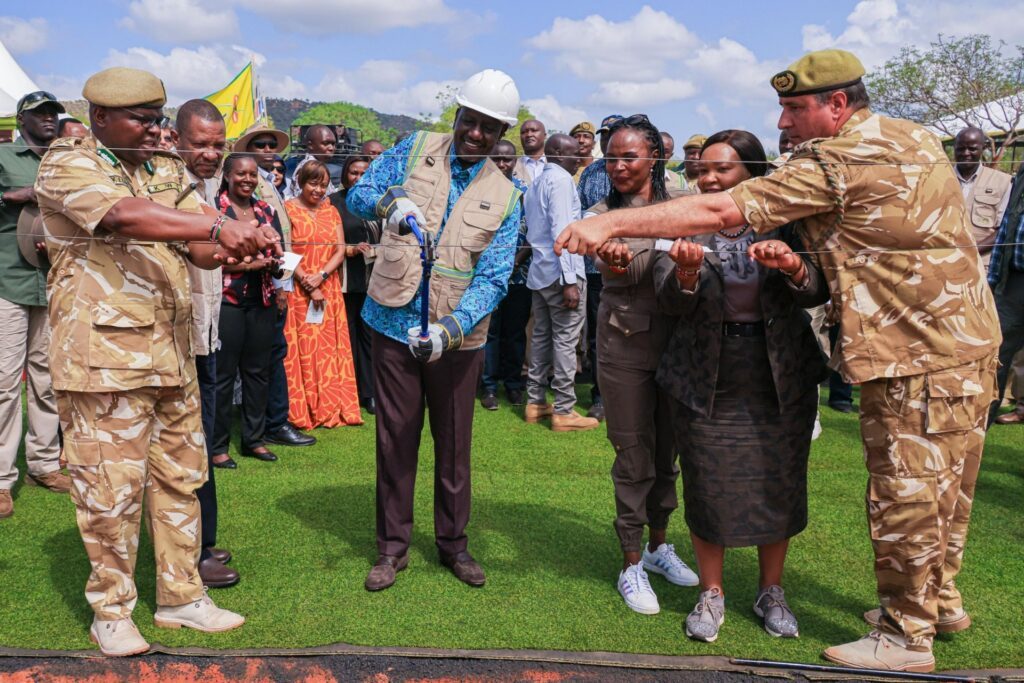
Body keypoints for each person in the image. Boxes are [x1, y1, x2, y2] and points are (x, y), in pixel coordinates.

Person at [556, 49, 1000, 674]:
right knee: (949, 485)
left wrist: (610, 226)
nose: (783, 123)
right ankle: (939, 602)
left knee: (907, 493)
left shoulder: (841, 156)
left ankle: (905, 635)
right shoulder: (914, 136)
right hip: (966, 341)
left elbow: (723, 211)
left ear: (837, 105)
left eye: (794, 109)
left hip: (914, 353)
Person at [35, 66, 271, 656]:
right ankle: (111, 612)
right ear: (99, 117)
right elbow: (122, 216)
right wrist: (218, 224)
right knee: (109, 491)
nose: (153, 130)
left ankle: (181, 596)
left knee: (179, 480)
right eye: (140, 119)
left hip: (171, 353)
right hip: (103, 362)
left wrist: (240, 245)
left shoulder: (163, 168)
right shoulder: (69, 163)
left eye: (156, 118)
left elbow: (196, 247)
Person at [347, 68, 524, 592]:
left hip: (456, 340)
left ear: (502, 133)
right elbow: (360, 193)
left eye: (489, 127)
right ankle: (391, 548)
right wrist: (390, 205)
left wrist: (451, 329)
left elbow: (494, 277)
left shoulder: (508, 194)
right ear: (458, 114)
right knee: (395, 439)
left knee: (453, 445)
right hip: (390, 320)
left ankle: (453, 545)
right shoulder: (416, 147)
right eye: (470, 120)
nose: (476, 133)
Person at [654, 130, 828, 642]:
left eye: (722, 169)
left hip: (780, 375)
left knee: (779, 482)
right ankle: (712, 593)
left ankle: (771, 591)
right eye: (703, 169)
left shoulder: (787, 220)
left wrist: (793, 265)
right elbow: (669, 302)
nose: (708, 178)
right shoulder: (685, 219)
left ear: (751, 173)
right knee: (708, 484)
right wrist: (686, 277)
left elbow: (816, 290)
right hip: (705, 375)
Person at [586, 115, 699, 616]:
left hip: (677, 346)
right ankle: (630, 562)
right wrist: (610, 259)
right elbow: (612, 266)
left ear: (655, 157)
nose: (617, 166)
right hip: (625, 349)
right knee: (633, 457)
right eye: (611, 157)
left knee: (667, 455)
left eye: (628, 156)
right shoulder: (601, 214)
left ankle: (658, 546)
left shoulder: (683, 206)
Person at [171, 99, 238, 589]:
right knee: (185, 449)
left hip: (206, 333)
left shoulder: (210, 187)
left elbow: (210, 259)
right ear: (177, 141)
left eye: (218, 145)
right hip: (176, 340)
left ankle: (203, 542)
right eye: (200, 144)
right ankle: (190, 554)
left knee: (204, 442)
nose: (211, 154)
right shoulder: (169, 188)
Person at [0, 91, 68, 520]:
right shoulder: (4, 156)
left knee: (48, 378)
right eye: (40, 113)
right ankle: (0, 479)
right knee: (5, 383)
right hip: (7, 280)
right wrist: (14, 196)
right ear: (21, 119)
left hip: (53, 282)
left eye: (53, 113)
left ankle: (43, 465)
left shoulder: (64, 161)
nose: (48, 119)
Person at [234, 125, 317, 449]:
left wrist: (284, 282)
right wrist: (282, 284)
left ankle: (273, 421)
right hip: (255, 282)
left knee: (273, 353)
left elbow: (283, 240)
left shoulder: (272, 183)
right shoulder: (252, 187)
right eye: (261, 144)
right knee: (265, 356)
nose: (269, 149)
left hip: (277, 277)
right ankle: (272, 423)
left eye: (272, 144)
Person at [211, 153, 286, 468]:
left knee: (258, 372)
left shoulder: (266, 210)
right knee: (223, 375)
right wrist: (251, 265)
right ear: (227, 175)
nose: (248, 179)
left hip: (262, 300)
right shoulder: (214, 209)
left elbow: (281, 254)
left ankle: (254, 440)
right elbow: (210, 257)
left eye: (253, 174)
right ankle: (217, 446)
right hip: (227, 300)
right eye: (241, 173)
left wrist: (277, 270)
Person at [524, 134, 596, 432]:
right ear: (555, 152)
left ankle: (535, 402)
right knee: (566, 341)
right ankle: (564, 409)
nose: (579, 158)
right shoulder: (562, 181)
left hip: (540, 272)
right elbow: (563, 231)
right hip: (561, 272)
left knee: (541, 337)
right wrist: (569, 280)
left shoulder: (536, 182)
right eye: (573, 153)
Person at [283, 160, 363, 429]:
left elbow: (340, 250)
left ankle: (331, 405)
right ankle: (303, 409)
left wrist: (322, 276)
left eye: (324, 185)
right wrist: (309, 282)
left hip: (328, 287)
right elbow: (284, 251)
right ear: (300, 182)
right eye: (313, 183)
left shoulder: (331, 211)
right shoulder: (287, 209)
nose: (318, 190)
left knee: (329, 350)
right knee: (304, 349)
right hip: (298, 289)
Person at [576, 114, 624, 422]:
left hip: (632, 264)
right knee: (598, 335)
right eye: (604, 134)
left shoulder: (638, 169)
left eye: (613, 133)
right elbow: (579, 214)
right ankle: (600, 396)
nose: (608, 139)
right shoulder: (591, 172)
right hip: (595, 270)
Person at [480, 139, 531, 410]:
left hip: (519, 275)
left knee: (514, 332)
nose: (501, 164)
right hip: (486, 276)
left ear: (515, 161)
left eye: (507, 159)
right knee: (489, 332)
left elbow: (534, 233)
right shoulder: (479, 189)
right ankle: (488, 387)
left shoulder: (525, 192)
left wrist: (512, 263)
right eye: (496, 158)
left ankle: (513, 385)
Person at [330, 155, 382, 414]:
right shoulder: (333, 202)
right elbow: (327, 239)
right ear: (345, 174)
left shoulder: (378, 201)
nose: (359, 178)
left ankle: (369, 393)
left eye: (364, 173)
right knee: (346, 338)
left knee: (370, 338)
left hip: (374, 281)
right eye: (354, 172)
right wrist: (350, 249)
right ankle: (347, 393)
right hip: (344, 282)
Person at [988, 162, 1024, 426]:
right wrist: (992, 281)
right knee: (996, 357)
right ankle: (979, 427)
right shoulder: (1021, 176)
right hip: (1013, 282)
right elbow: (1005, 229)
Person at [953, 127, 1012, 270]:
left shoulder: (1003, 182)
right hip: (942, 262)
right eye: (960, 148)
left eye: (972, 149)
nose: (966, 153)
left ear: (983, 148)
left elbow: (1004, 229)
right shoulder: (938, 179)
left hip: (982, 265)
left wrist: (969, 252)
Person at [286, 125, 338, 198]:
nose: (331, 148)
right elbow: (306, 201)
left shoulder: (318, 166)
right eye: (326, 143)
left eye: (333, 144)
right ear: (310, 145)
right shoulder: (308, 167)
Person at [513, 118, 546, 186]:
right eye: (523, 132)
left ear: (544, 136)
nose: (529, 135)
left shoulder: (556, 165)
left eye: (534, 130)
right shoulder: (512, 166)